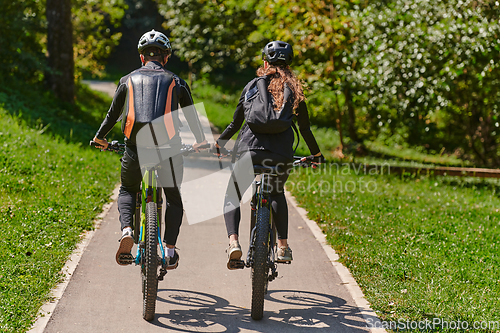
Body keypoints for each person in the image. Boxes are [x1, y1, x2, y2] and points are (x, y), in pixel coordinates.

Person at [93, 29, 207, 268]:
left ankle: (126, 230)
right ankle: (169, 251)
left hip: (135, 148)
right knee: (173, 198)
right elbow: (192, 116)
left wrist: (100, 137)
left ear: (142, 57)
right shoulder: (177, 81)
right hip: (169, 149)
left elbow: (112, 115)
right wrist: (199, 141)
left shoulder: (127, 80)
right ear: (166, 57)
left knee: (127, 189)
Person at [215, 40, 325, 269]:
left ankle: (233, 242)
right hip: (280, 155)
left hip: (249, 152)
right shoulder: (294, 91)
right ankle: (283, 246)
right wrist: (316, 154)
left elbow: (236, 122)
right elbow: (305, 129)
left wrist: (220, 143)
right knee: (276, 193)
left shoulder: (252, 87)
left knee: (232, 195)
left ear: (265, 63)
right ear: (289, 65)